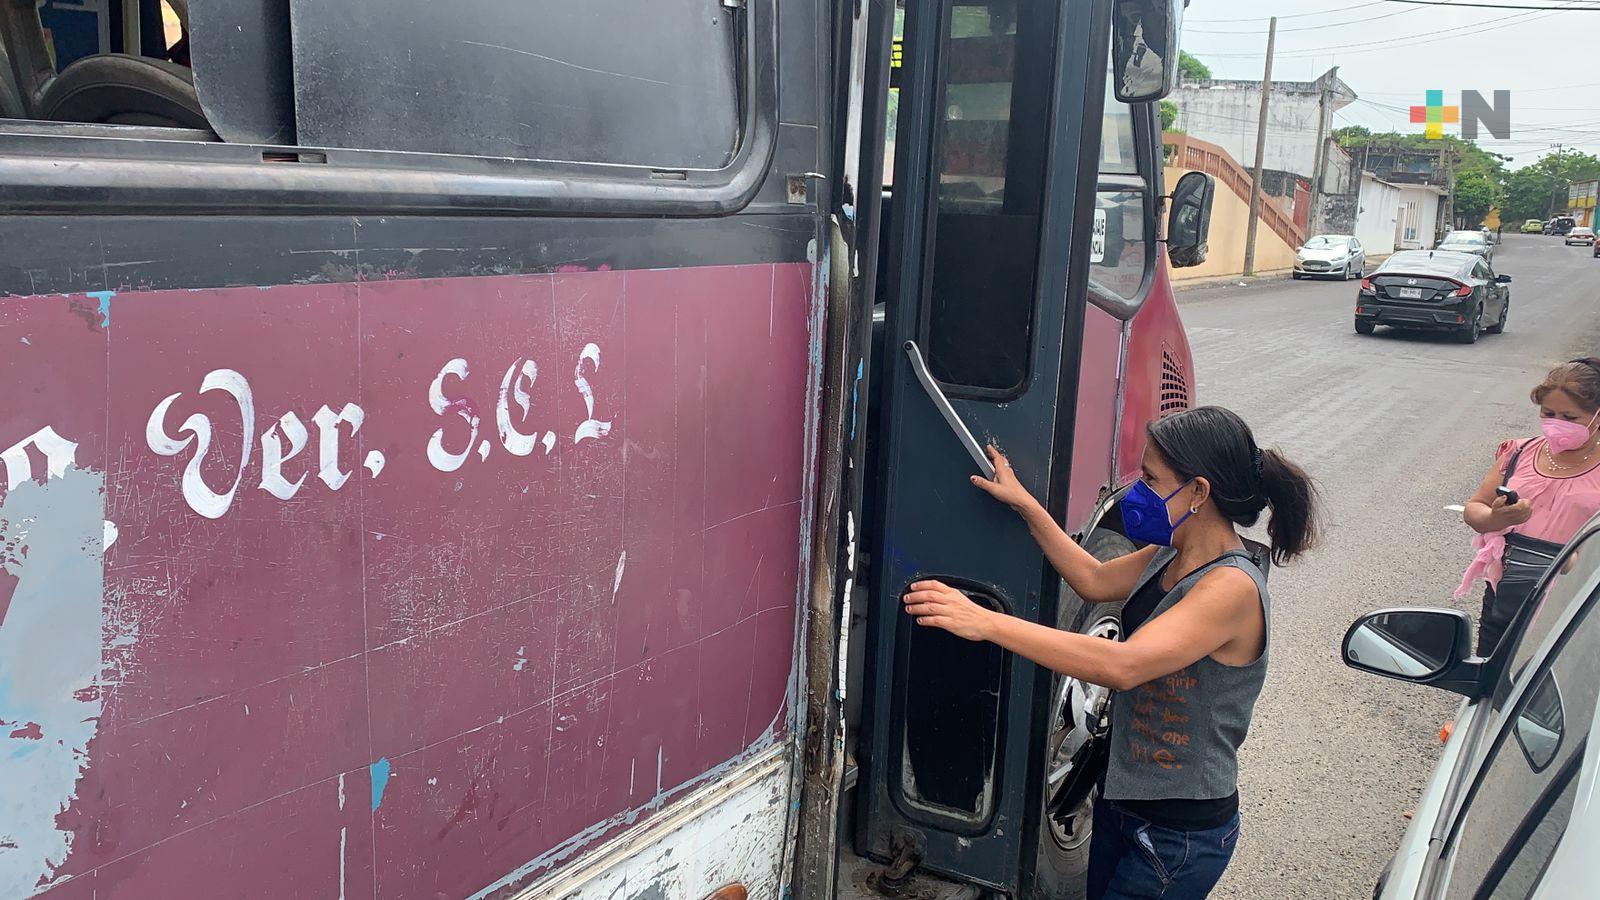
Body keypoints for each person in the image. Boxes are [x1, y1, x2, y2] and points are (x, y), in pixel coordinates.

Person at [902, 406, 1318, 900]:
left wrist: (987, 622)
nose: (1137, 491)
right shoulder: (1174, 551)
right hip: (1125, 803)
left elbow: (1123, 666)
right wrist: (1026, 506)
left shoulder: (1231, 587)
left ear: (1199, 492)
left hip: (1176, 835)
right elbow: (1094, 579)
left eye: (1150, 478)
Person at [1458, 358, 1600, 654]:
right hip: (1505, 592)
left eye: (1570, 417)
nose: (1556, 423)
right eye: (1548, 414)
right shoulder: (1519, 452)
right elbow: (1475, 509)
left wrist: (1576, 558)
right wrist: (1496, 517)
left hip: (1572, 606)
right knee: (1492, 674)